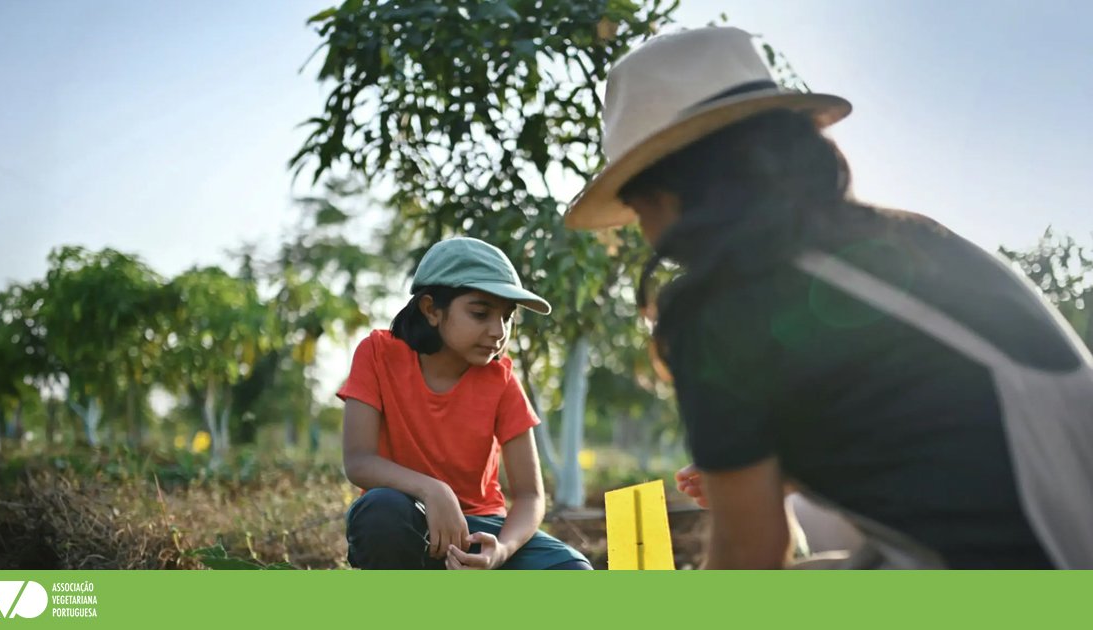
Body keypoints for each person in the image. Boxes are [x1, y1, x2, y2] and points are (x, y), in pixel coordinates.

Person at [564, 26, 1093, 569]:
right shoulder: (907, 237)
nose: (644, 229)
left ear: (670, 189)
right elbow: (944, 423)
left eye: (637, 205)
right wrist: (782, 469)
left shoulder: (718, 307)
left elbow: (752, 557)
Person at [338, 237, 592, 570]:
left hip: (480, 532)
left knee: (572, 570)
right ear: (431, 309)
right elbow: (359, 461)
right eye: (480, 313)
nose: (498, 331)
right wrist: (433, 491)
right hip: (409, 526)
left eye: (506, 317)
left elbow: (530, 495)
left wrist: (500, 550)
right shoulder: (376, 354)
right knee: (380, 512)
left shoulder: (501, 381)